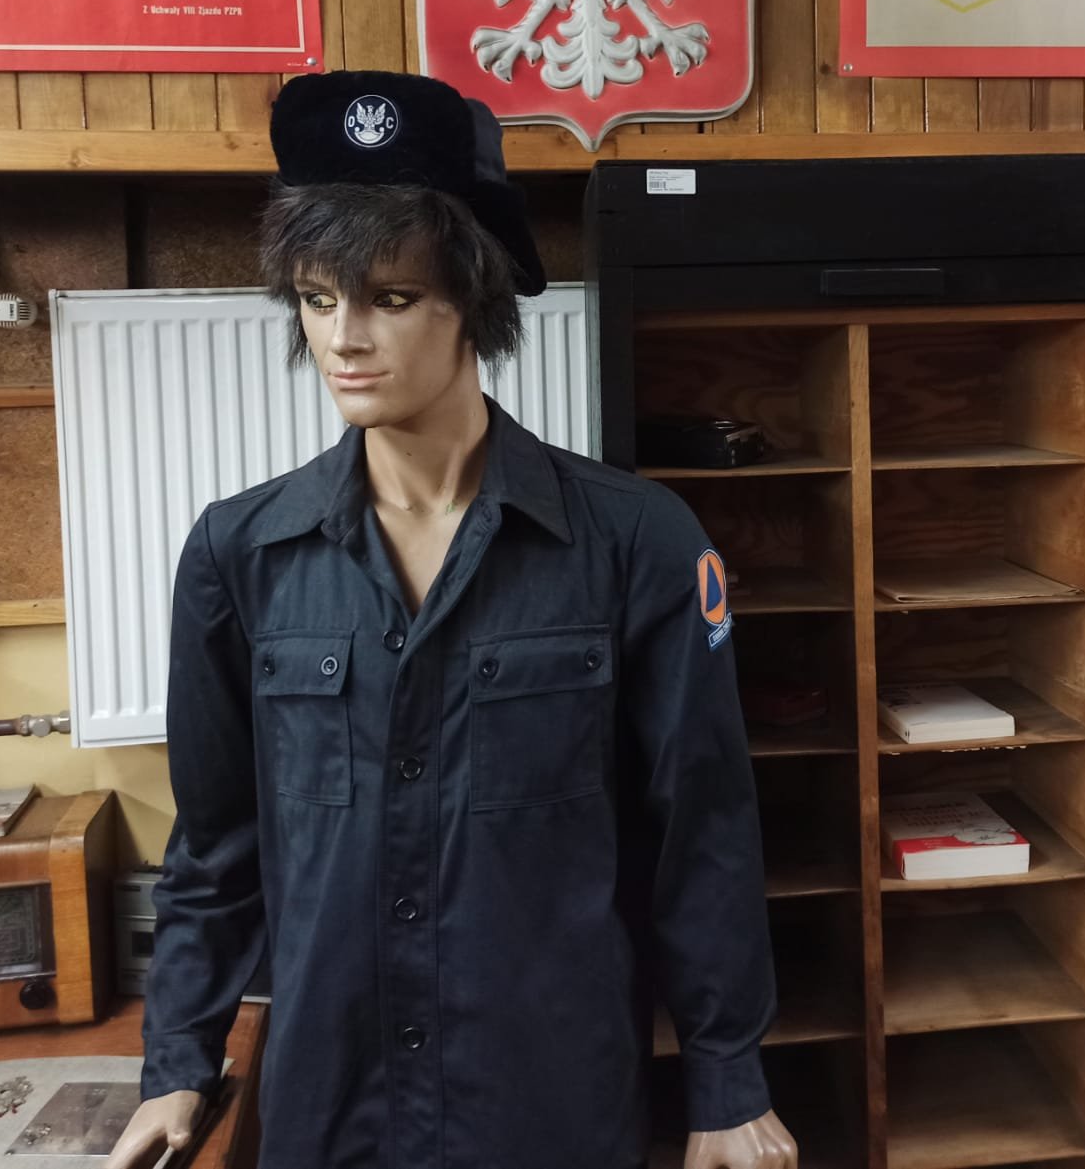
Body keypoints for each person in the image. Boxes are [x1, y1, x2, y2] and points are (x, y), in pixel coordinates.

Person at [106, 71, 795, 1169]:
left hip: (550, 1104)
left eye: (389, 298)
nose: (344, 337)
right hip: (334, 1109)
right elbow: (216, 847)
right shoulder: (240, 555)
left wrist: (727, 1080)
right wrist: (178, 1063)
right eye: (317, 298)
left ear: (471, 298)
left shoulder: (637, 543)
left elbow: (700, 833)